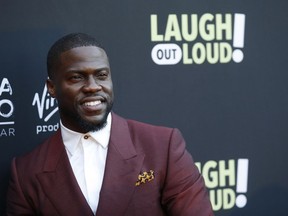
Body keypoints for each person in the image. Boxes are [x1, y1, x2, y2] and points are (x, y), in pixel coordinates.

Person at [6, 33, 214, 216]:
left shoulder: (163, 146)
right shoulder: (25, 172)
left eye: (101, 75)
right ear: (51, 88)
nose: (93, 87)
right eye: (77, 77)